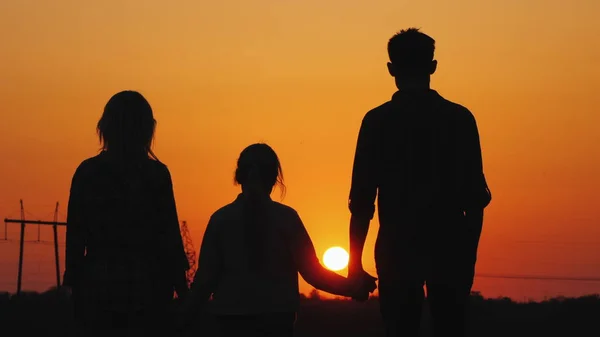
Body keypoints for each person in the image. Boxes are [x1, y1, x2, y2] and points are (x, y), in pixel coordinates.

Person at [346, 28, 492, 337]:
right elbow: (475, 201)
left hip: (396, 251)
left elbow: (361, 203)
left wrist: (354, 265)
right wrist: (469, 257)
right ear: (433, 66)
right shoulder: (459, 119)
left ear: (391, 70)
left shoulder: (377, 121)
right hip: (450, 251)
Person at [181, 143, 377, 337]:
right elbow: (313, 273)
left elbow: (205, 280)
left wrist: (183, 320)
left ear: (239, 176)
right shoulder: (287, 218)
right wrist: (353, 288)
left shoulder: (220, 220)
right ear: (274, 179)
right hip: (276, 321)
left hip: (231, 321)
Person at [63, 90, 190, 337]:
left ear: (105, 127)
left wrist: (75, 290)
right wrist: (184, 295)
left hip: (99, 289)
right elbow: (170, 239)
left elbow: (75, 240)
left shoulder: (87, 173)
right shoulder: (156, 175)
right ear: (147, 130)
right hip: (150, 290)